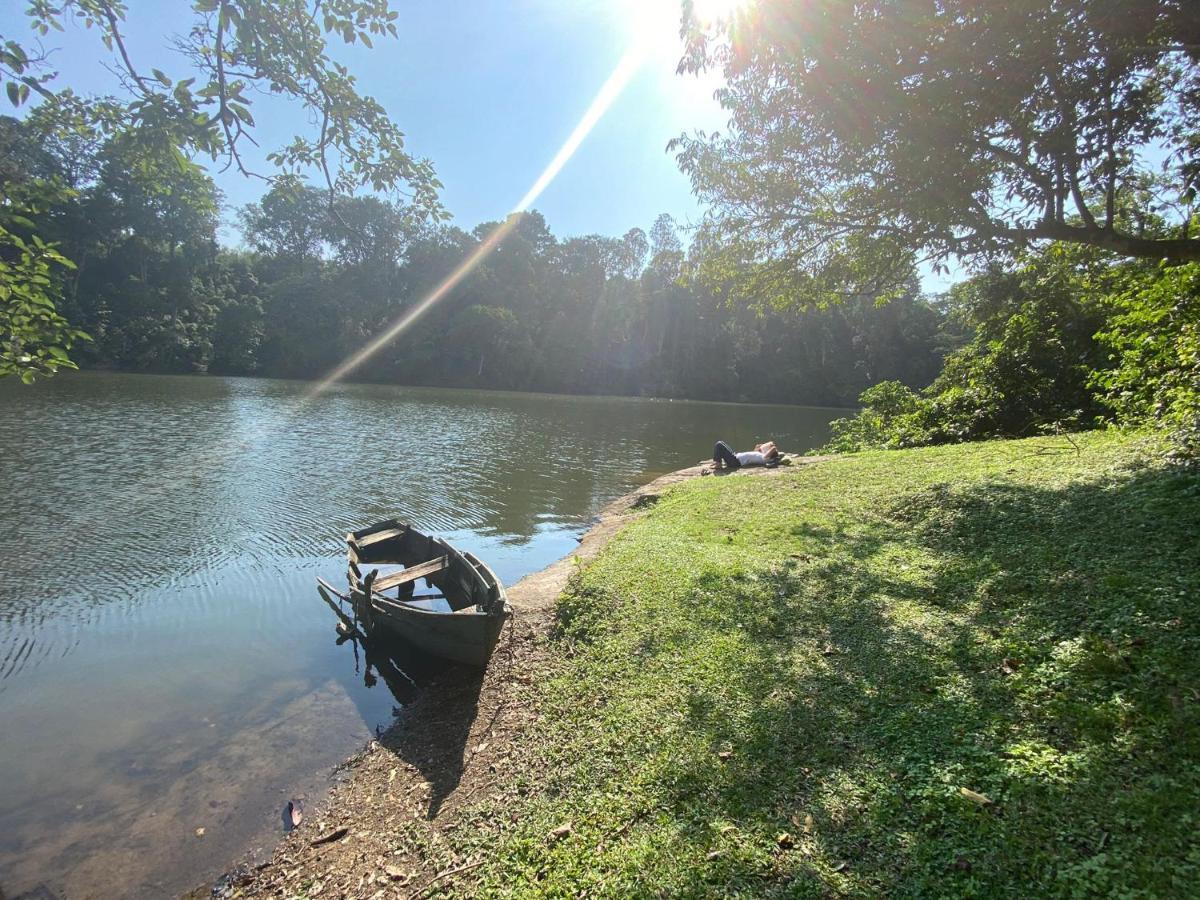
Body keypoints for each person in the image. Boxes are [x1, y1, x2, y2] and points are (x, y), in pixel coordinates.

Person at [712, 439, 780, 470]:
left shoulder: (764, 458)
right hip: (734, 459)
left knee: (719, 444)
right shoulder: (759, 455)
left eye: (768, 448)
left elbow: (773, 447)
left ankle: (718, 463)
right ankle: (717, 462)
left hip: (735, 461)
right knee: (721, 444)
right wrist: (763, 446)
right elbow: (757, 446)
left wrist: (772, 446)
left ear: (770, 453)